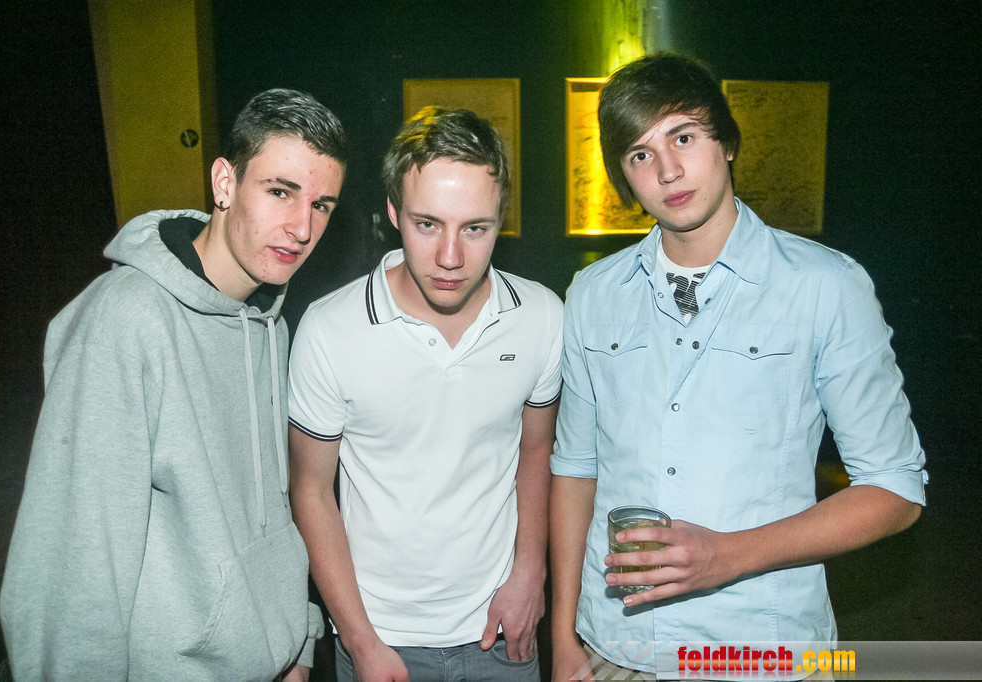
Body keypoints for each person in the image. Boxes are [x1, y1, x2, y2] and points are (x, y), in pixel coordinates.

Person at [550, 53, 928, 680]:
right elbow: (576, 469)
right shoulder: (593, 293)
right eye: (640, 154)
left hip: (762, 648)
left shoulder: (825, 286)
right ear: (624, 178)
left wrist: (727, 556)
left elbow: (895, 490)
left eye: (683, 137)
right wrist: (564, 635)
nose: (668, 170)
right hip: (618, 645)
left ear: (726, 141)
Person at [0, 88, 347, 681]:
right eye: (280, 192)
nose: (301, 227)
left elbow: (272, 509)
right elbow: (74, 564)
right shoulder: (125, 318)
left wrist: (296, 641)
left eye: (322, 205)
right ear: (225, 183)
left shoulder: (272, 325)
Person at [287, 106, 562, 681]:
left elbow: (536, 449)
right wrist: (360, 640)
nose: (450, 258)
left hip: (502, 631)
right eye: (428, 224)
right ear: (394, 212)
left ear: (501, 220)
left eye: (475, 228)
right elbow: (310, 491)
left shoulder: (541, 316)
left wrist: (530, 573)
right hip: (379, 638)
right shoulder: (330, 329)